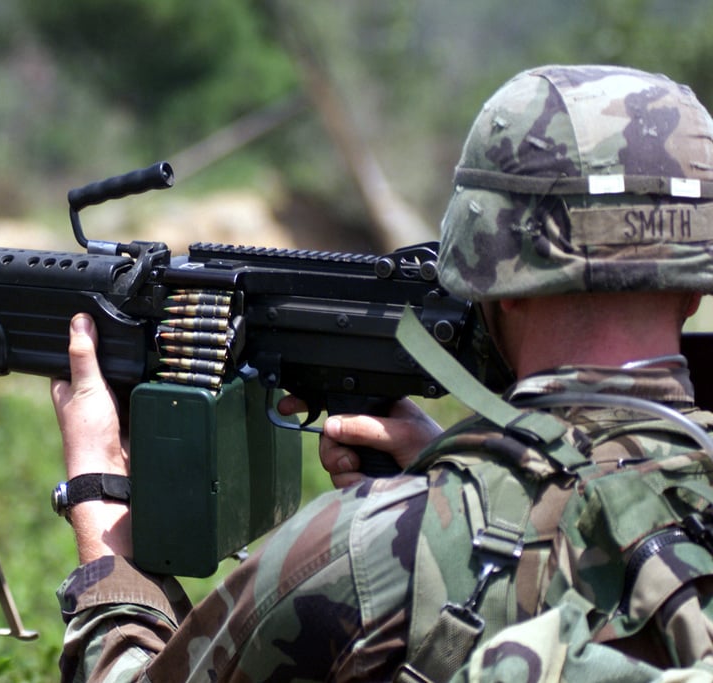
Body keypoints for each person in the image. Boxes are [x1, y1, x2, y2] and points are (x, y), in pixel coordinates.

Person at [49, 64, 713, 682]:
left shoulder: (357, 553)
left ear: (501, 275)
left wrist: (103, 514)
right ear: (691, 287)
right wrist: (482, 488)